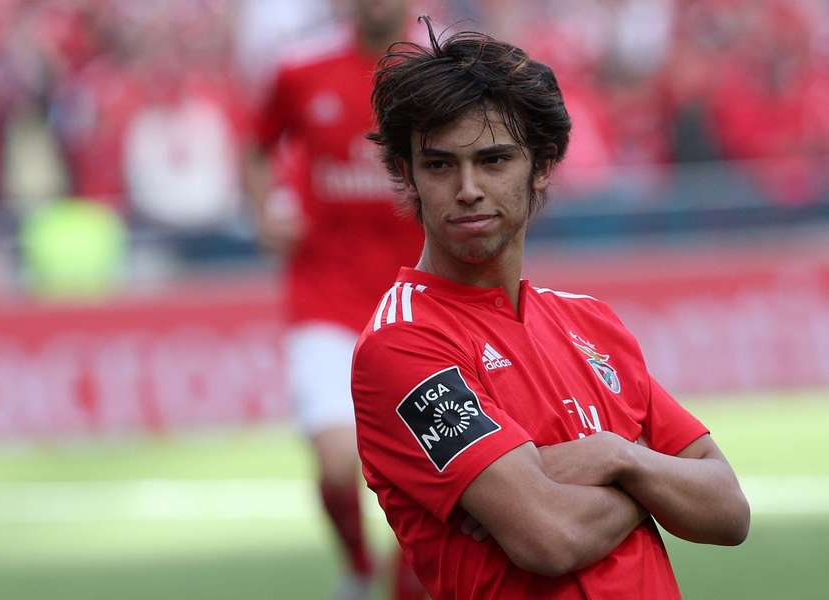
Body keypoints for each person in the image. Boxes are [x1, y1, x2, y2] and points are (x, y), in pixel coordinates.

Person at [351, 18, 750, 599]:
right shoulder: (402, 344)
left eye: (493, 161)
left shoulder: (590, 322)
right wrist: (647, 477)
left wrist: (613, 457)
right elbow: (549, 537)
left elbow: (728, 510)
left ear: (539, 168)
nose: (467, 188)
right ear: (407, 176)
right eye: (440, 165)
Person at [243, 1, 425, 598]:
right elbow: (255, 146)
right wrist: (264, 215)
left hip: (416, 300)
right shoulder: (302, 69)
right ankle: (355, 565)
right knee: (335, 462)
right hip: (325, 292)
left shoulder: (440, 69)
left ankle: (411, 584)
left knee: (428, 471)